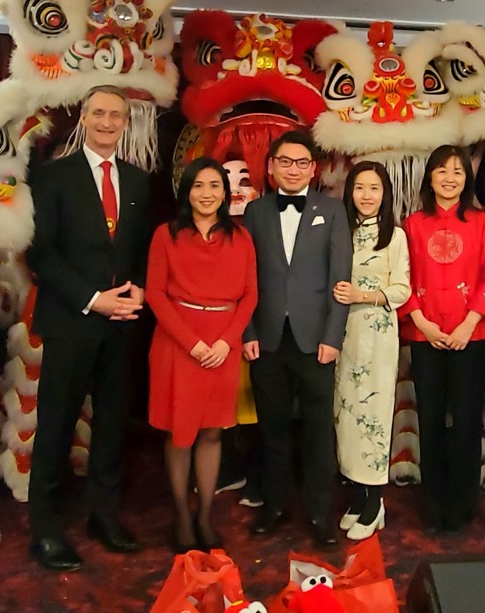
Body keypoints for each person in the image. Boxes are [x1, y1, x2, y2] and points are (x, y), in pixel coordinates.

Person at [25, 85, 153, 572]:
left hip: (122, 325)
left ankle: (104, 516)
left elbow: (139, 249)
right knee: (56, 427)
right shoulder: (53, 176)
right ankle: (46, 530)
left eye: (115, 115)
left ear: (126, 122)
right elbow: (41, 253)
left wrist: (137, 288)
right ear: (84, 117)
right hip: (72, 322)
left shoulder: (139, 182)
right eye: (98, 113)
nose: (106, 122)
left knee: (113, 427)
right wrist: (92, 300)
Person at [241, 130, 352, 546]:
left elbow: (341, 278)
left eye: (301, 163)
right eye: (285, 162)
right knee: (271, 428)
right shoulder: (255, 211)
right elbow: (244, 278)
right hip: (266, 337)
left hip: (316, 339)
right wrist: (247, 331)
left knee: (317, 430)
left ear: (313, 168)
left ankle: (321, 513)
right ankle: (273, 507)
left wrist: (333, 336)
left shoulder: (333, 210)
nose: (293, 169)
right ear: (271, 167)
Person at [146, 157, 258, 551]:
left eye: (215, 186)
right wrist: (191, 342)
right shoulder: (166, 234)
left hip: (223, 343)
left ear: (225, 193)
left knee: (212, 432)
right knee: (180, 433)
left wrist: (228, 341)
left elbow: (250, 295)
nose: (207, 194)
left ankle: (206, 514)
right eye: (199, 186)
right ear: (186, 191)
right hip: (178, 342)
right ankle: (180, 515)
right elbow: (155, 294)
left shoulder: (241, 237)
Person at [398, 145, 485, 535]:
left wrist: (468, 325)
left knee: (466, 419)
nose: (449, 178)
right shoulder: (412, 223)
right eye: (442, 170)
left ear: (466, 179)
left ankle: (462, 503)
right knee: (429, 417)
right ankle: (433, 502)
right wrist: (422, 323)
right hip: (425, 334)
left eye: (458, 172)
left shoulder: (481, 222)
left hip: (470, 336)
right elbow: (401, 276)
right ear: (430, 177)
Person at [331, 162, 411, 540]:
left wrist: (363, 295)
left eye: (374, 188)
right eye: (360, 188)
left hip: (377, 333)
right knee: (346, 415)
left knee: (374, 416)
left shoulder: (393, 235)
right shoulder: (340, 229)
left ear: (385, 193)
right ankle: (359, 496)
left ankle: (376, 501)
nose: (366, 195)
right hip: (341, 333)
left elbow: (402, 290)